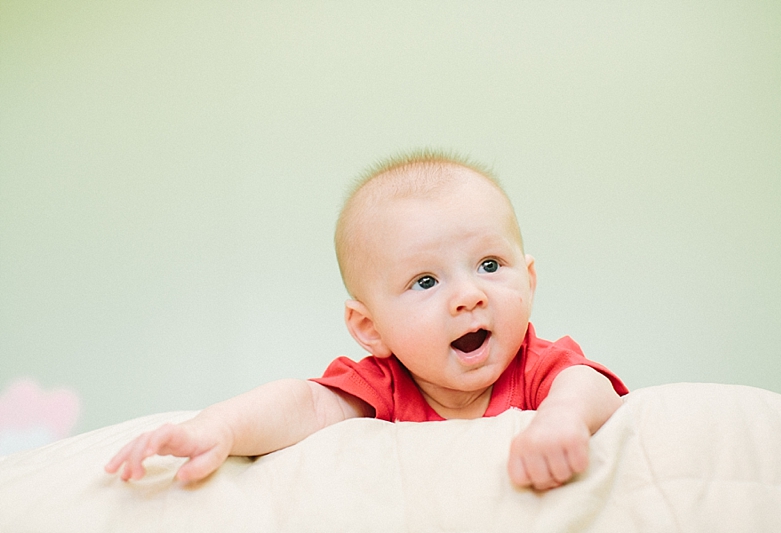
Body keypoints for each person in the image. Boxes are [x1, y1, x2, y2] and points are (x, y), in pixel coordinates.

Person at [105, 151, 628, 491]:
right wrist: (217, 426)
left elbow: (590, 384)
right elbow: (304, 403)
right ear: (370, 328)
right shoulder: (383, 386)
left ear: (530, 281)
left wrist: (562, 419)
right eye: (426, 281)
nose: (469, 295)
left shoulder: (537, 366)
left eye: (490, 266)